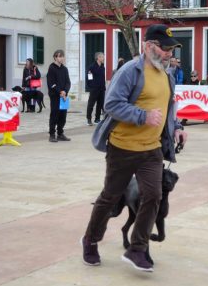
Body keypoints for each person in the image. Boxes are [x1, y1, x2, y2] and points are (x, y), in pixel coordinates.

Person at [82, 24, 188, 272]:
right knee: (109, 198)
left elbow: (168, 107)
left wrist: (177, 126)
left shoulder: (167, 75)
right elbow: (111, 104)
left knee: (153, 196)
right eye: (165, 49)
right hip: (123, 148)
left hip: (152, 149)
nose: (169, 54)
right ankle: (90, 240)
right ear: (148, 46)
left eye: (172, 49)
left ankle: (137, 249)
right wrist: (142, 116)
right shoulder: (130, 71)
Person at [47, 49, 71, 142]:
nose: (61, 58)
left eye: (62, 56)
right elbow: (51, 83)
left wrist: (65, 91)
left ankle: (60, 133)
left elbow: (68, 82)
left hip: (64, 96)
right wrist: (60, 92)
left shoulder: (65, 69)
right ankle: (52, 134)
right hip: (55, 96)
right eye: (59, 56)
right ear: (55, 57)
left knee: (63, 115)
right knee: (54, 114)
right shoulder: (51, 68)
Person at [86, 52, 106, 126]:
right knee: (91, 104)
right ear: (98, 58)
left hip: (101, 89)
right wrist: (92, 87)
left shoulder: (102, 67)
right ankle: (88, 119)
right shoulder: (91, 67)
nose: (103, 58)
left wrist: (104, 87)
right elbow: (89, 78)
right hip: (94, 89)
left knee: (100, 104)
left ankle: (97, 119)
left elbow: (103, 78)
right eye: (102, 57)